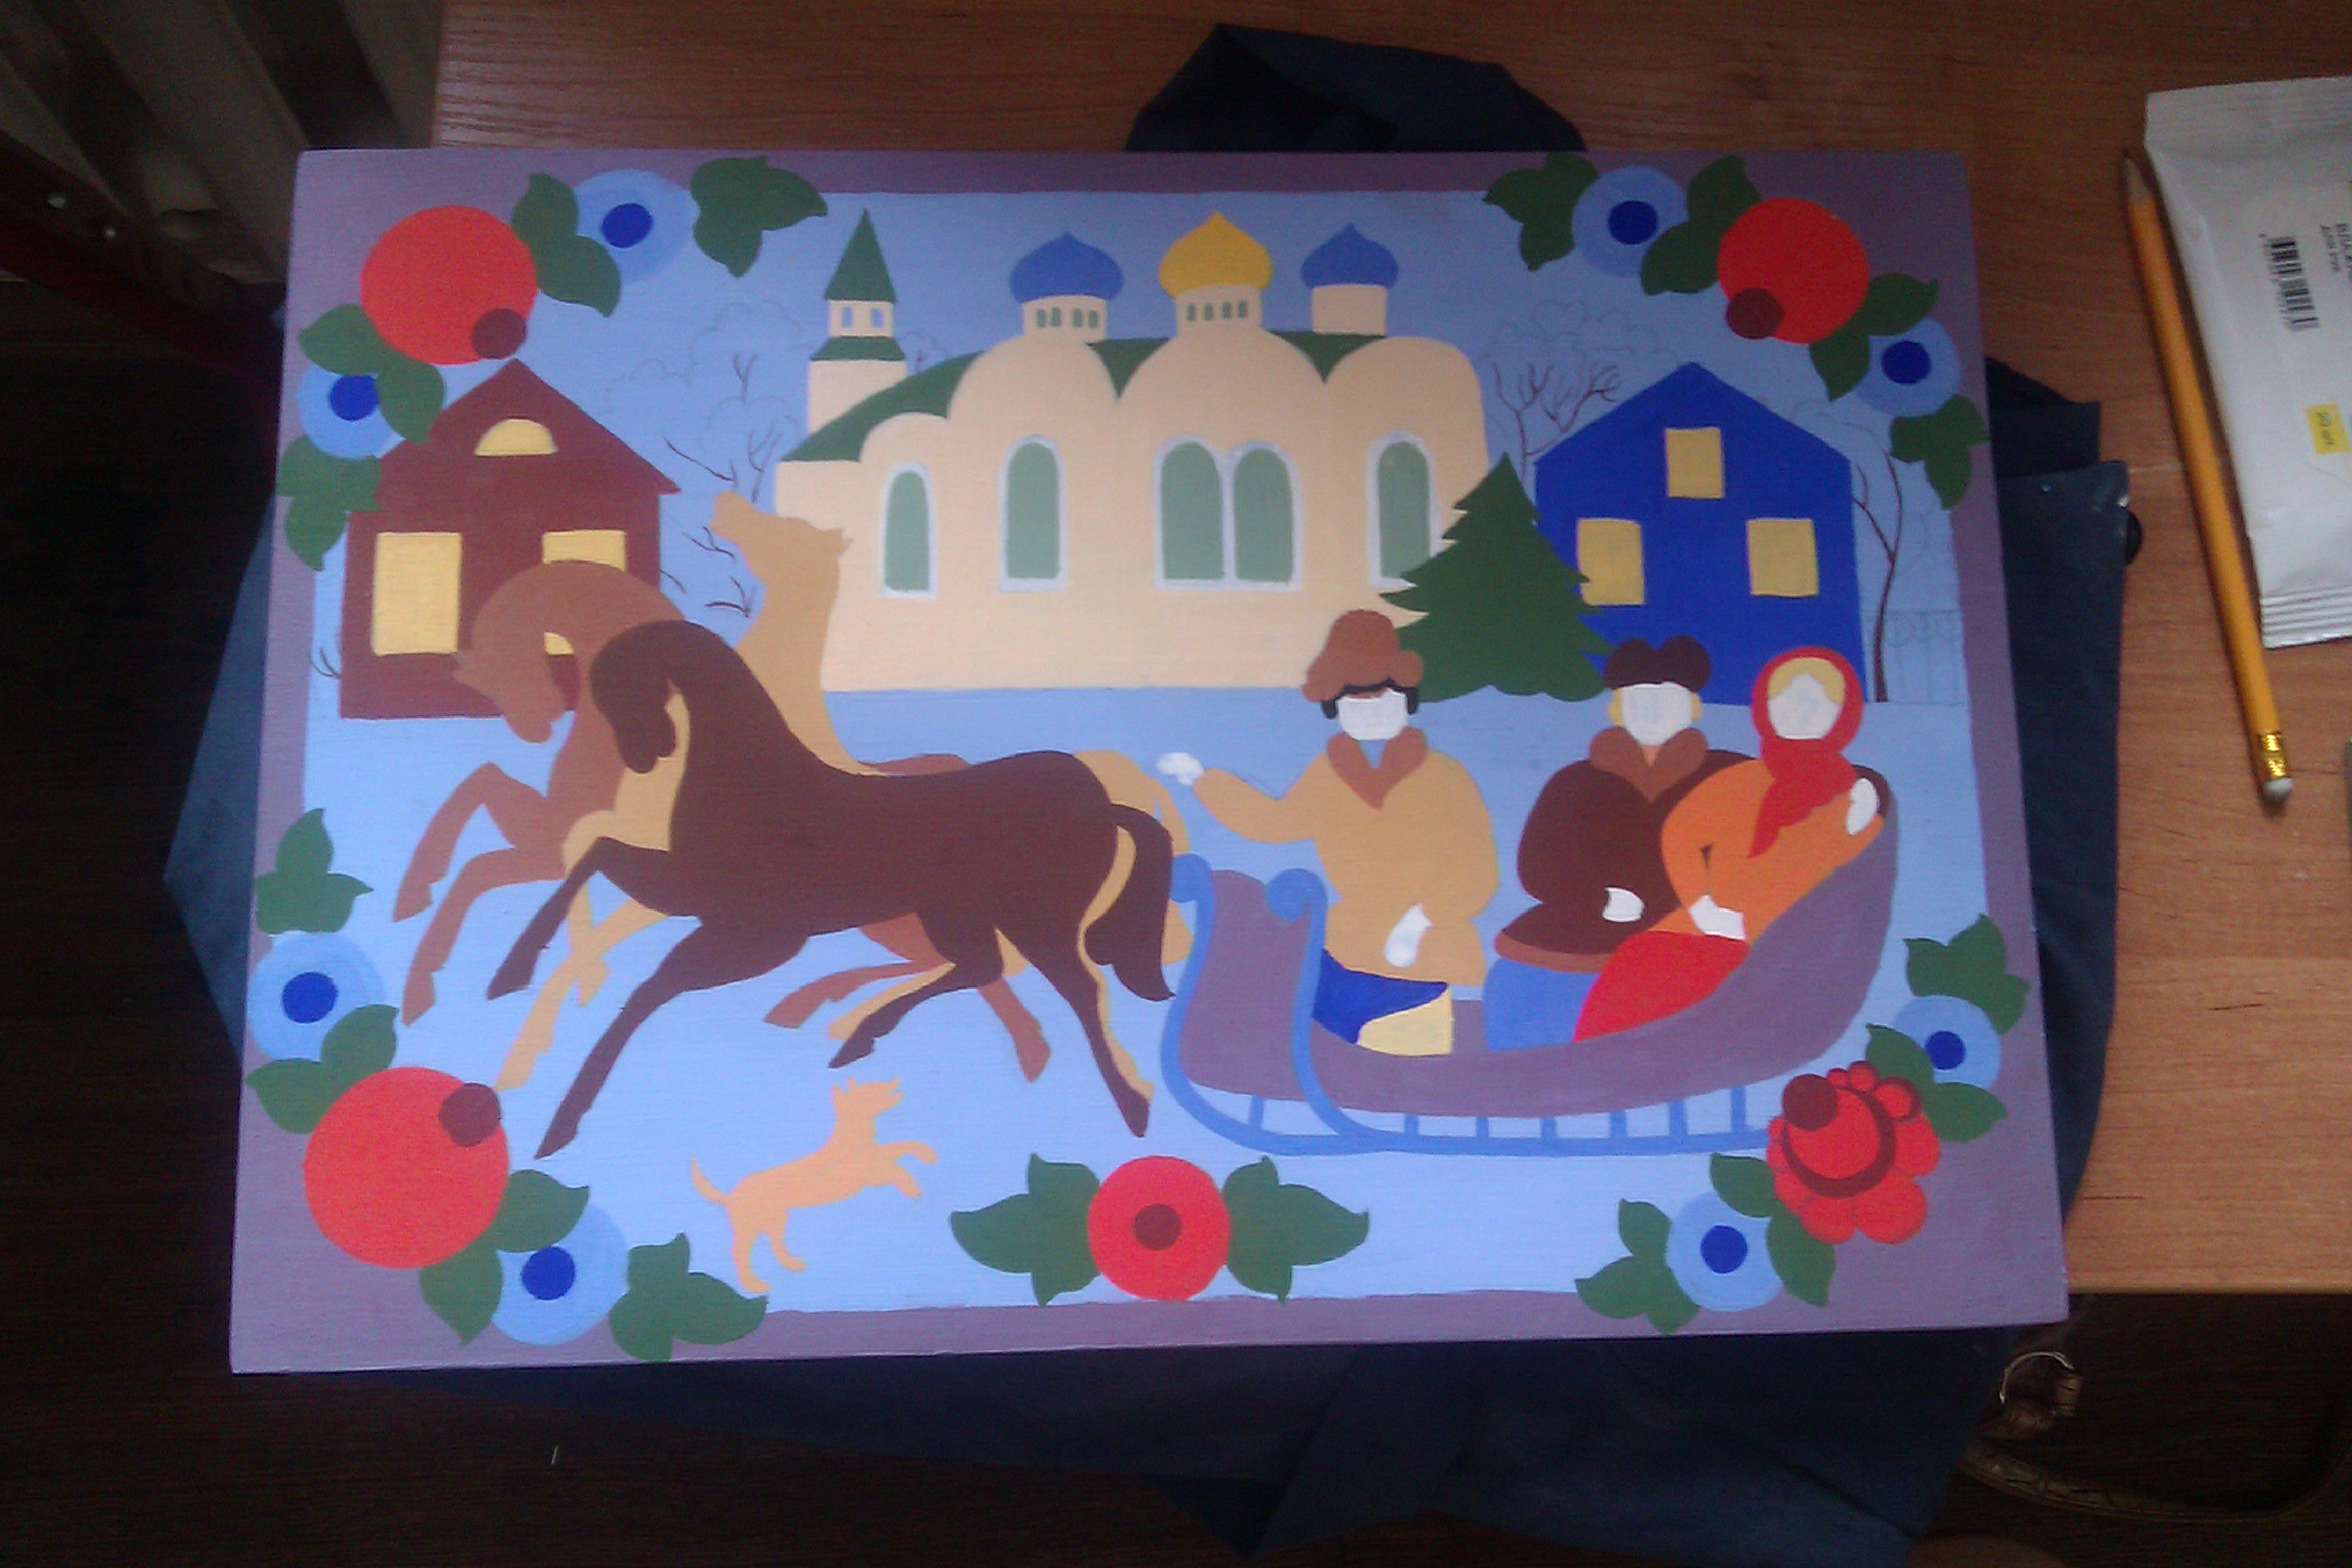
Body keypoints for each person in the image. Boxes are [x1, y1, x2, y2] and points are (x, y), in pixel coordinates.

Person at [1158, 610, 1497, 1056]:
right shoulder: (1329, 776)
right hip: (1348, 945)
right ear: (1335, 707)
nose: (1371, 714)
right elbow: (1274, 821)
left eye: (1383, 700)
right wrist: (1202, 780)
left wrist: (1419, 920)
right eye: (1355, 704)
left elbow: (1476, 872)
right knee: (1304, 1029)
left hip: (1426, 954)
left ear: (1406, 699)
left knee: (1399, 1055)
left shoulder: (1444, 777)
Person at [1575, 646, 1885, 1040]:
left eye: (1817, 701)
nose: (1800, 711)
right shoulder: (1742, 780)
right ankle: (1594, 1057)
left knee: (1706, 983)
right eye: (1786, 698)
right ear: (1766, 707)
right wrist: (1702, 907)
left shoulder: (1851, 801)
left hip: (1778, 939)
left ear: (1842, 714)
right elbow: (1680, 835)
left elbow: (1849, 882)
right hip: (1712, 921)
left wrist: (1862, 820)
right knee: (1638, 958)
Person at [1485, 635, 1744, 1049]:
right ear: (1617, 708)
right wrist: (1599, 898)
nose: (1652, 711)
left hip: (1688, 926)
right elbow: (1537, 867)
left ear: (1693, 707)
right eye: (1638, 700)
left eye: (1667, 700)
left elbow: (1791, 798)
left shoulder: (1729, 775)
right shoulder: (1575, 781)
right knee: (1517, 977)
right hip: (1590, 922)